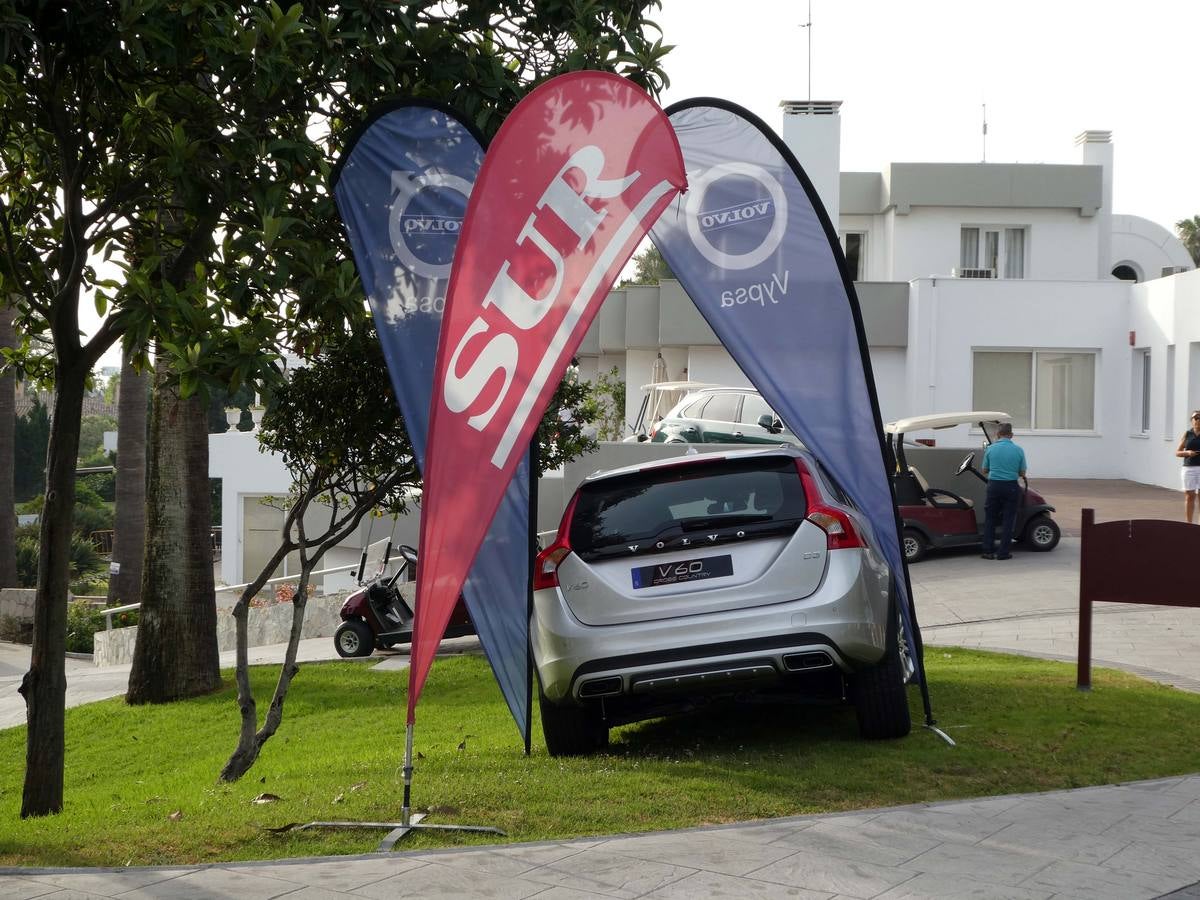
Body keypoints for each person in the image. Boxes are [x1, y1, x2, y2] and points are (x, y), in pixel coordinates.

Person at [980, 422, 1027, 560]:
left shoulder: (991, 449)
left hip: (994, 486)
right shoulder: (1019, 450)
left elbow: (984, 470)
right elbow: (1022, 472)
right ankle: (1003, 552)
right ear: (1011, 435)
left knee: (990, 518)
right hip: (1011, 487)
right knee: (1008, 520)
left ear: (997, 434)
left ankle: (988, 551)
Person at [1175, 411, 1200, 523]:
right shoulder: (1187, 434)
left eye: (1199, 417)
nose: (1198, 420)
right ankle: (1189, 524)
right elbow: (1177, 452)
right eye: (1195, 418)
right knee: (1189, 496)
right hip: (1189, 469)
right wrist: (1188, 453)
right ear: (1192, 420)